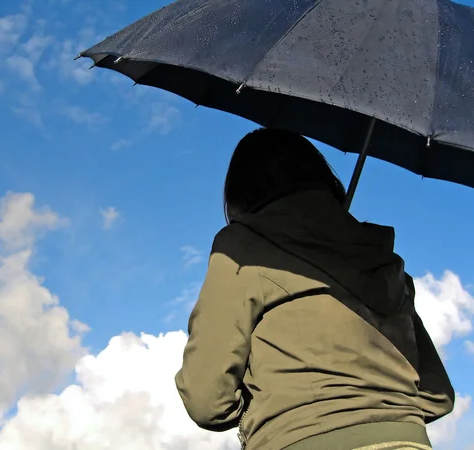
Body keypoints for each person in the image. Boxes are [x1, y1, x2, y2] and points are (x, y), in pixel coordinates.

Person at [174, 128, 454, 450]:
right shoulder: (385, 261)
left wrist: (273, 415)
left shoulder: (242, 248)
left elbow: (207, 400)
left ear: (241, 194)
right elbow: (437, 397)